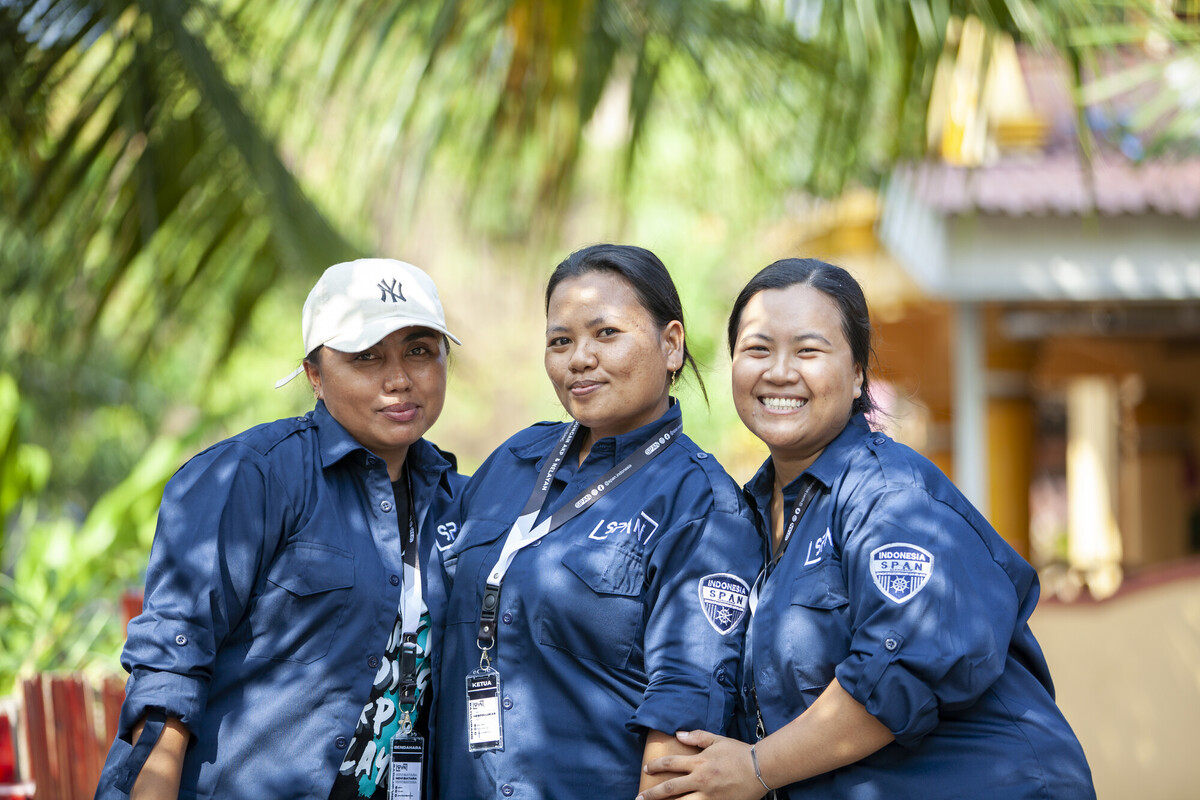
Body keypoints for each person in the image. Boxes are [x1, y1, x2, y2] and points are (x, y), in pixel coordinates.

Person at [638, 258, 1095, 800]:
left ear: (858, 375)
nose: (779, 371)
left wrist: (757, 768)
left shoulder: (889, 496)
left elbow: (897, 670)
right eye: (758, 349)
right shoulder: (749, 515)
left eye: (808, 351)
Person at [95, 258, 466, 799]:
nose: (399, 379)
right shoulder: (250, 475)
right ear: (315, 375)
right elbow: (174, 649)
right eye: (366, 356)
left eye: (419, 350)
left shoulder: (460, 501)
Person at [429, 244, 761, 799]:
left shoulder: (701, 504)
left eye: (606, 333)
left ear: (671, 344)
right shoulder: (514, 460)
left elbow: (685, 708)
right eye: (560, 340)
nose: (578, 358)